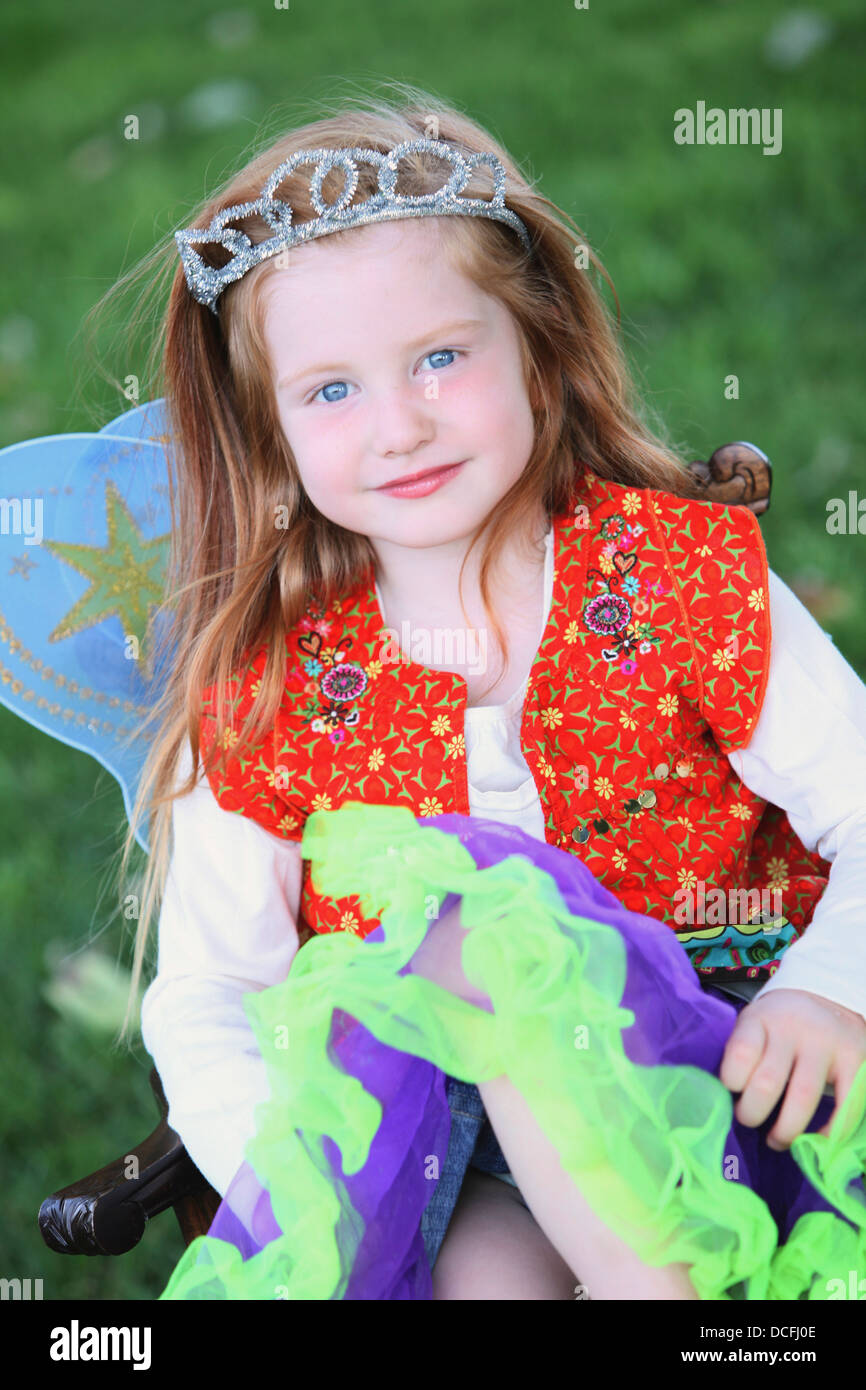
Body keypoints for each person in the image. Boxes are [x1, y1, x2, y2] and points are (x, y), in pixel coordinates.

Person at [116, 87, 866, 1300]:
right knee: (480, 1286)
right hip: (446, 1156)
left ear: (537, 350)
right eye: (331, 391)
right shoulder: (271, 687)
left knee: (477, 916)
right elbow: (208, 984)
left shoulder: (671, 576)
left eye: (441, 358)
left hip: (719, 1082)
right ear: (273, 434)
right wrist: (293, 1179)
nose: (400, 426)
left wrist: (833, 987)